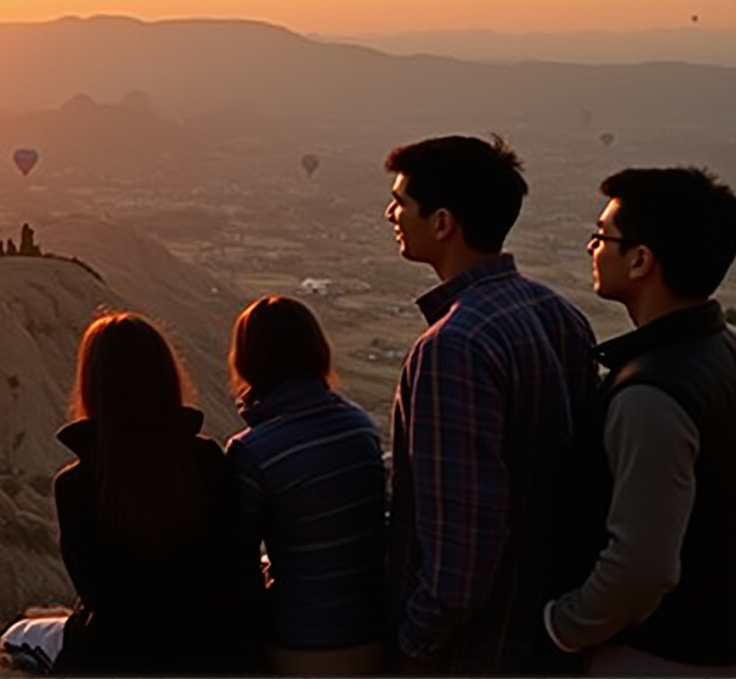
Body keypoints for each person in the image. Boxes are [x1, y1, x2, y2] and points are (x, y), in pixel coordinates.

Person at [382, 134, 596, 674]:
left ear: (443, 222)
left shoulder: (453, 346)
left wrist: (413, 640)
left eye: (401, 202)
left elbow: (464, 541)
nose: (391, 213)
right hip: (546, 632)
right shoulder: (561, 314)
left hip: (475, 651)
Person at [545, 167, 736, 676]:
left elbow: (642, 566)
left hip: (653, 654)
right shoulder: (720, 349)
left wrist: (565, 625)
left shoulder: (651, 391)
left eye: (602, 236)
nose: (592, 248)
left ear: (641, 260)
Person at [50, 312, 263, 675]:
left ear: (93, 385)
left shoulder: (75, 486)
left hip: (119, 657)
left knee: (26, 632)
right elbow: (235, 564)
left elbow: (98, 596)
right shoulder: (208, 460)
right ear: (166, 377)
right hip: (213, 653)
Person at [225, 295, 386, 675]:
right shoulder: (359, 424)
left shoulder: (253, 451)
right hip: (379, 630)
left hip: (306, 643)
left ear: (248, 361)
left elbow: (236, 566)